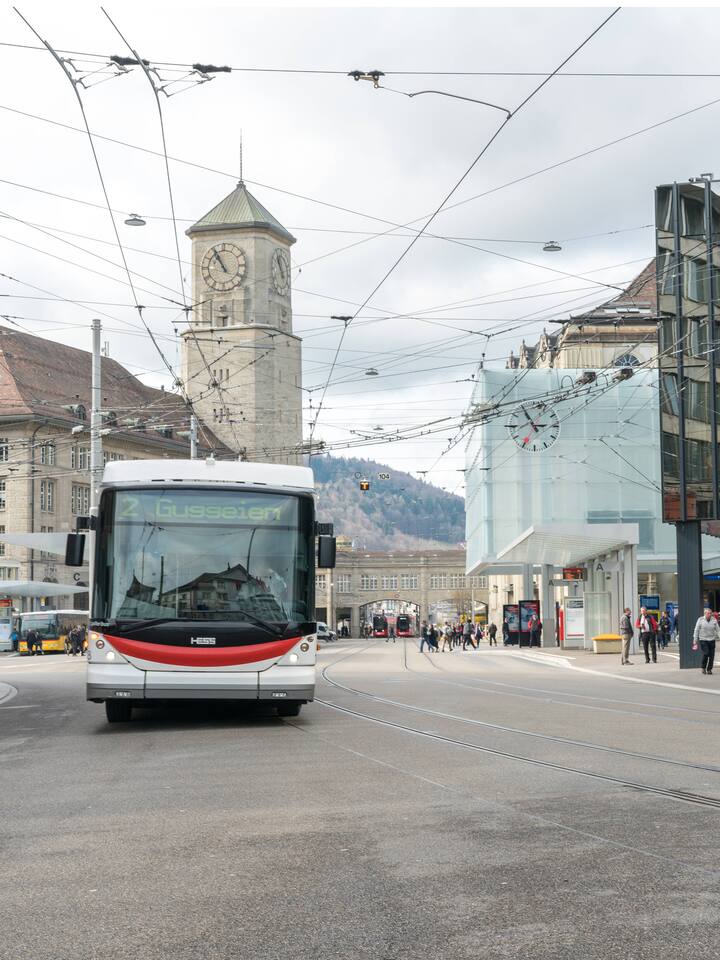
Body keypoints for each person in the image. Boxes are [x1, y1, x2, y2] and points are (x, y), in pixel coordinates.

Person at [693, 607, 720, 675]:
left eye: (710, 613)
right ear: (705, 614)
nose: (709, 614)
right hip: (703, 640)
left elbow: (718, 630)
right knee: (706, 653)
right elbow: (696, 630)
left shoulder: (714, 620)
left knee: (711, 656)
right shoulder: (700, 620)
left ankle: (709, 669)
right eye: (708, 613)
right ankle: (703, 667)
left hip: (712, 640)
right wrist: (695, 640)